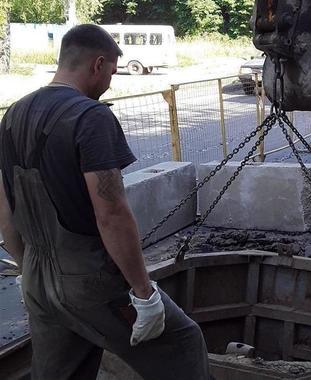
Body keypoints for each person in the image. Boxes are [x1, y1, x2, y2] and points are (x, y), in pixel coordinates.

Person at [0, 24, 209, 379]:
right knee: (183, 344)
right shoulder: (90, 116)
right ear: (97, 64)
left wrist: (30, 270)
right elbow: (111, 214)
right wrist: (144, 294)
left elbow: (6, 213)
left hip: (36, 278)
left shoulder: (12, 116)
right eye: (111, 71)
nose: (111, 81)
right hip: (89, 282)